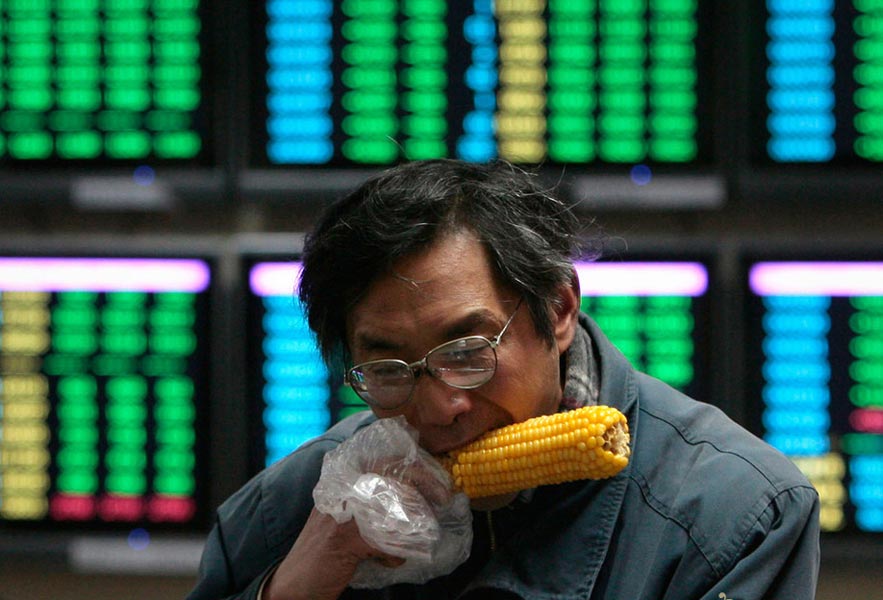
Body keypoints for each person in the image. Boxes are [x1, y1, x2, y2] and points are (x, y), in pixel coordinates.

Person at [188, 159, 820, 600]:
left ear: (559, 309)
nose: (440, 409)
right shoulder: (291, 509)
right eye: (389, 370)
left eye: (467, 351)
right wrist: (292, 588)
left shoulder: (737, 514)